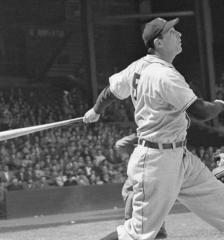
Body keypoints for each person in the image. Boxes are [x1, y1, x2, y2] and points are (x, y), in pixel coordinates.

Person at [83, 17, 224, 240]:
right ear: (158, 43)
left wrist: (96, 110)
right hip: (157, 161)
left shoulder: (138, 67)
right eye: (172, 32)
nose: (179, 34)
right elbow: (201, 112)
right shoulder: (164, 74)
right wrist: (220, 104)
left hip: (179, 157)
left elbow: (111, 91)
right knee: (137, 234)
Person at [116, 133, 167, 239]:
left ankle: (158, 231)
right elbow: (120, 144)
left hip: (149, 181)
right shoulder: (137, 147)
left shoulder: (163, 148)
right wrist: (139, 136)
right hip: (136, 183)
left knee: (152, 210)